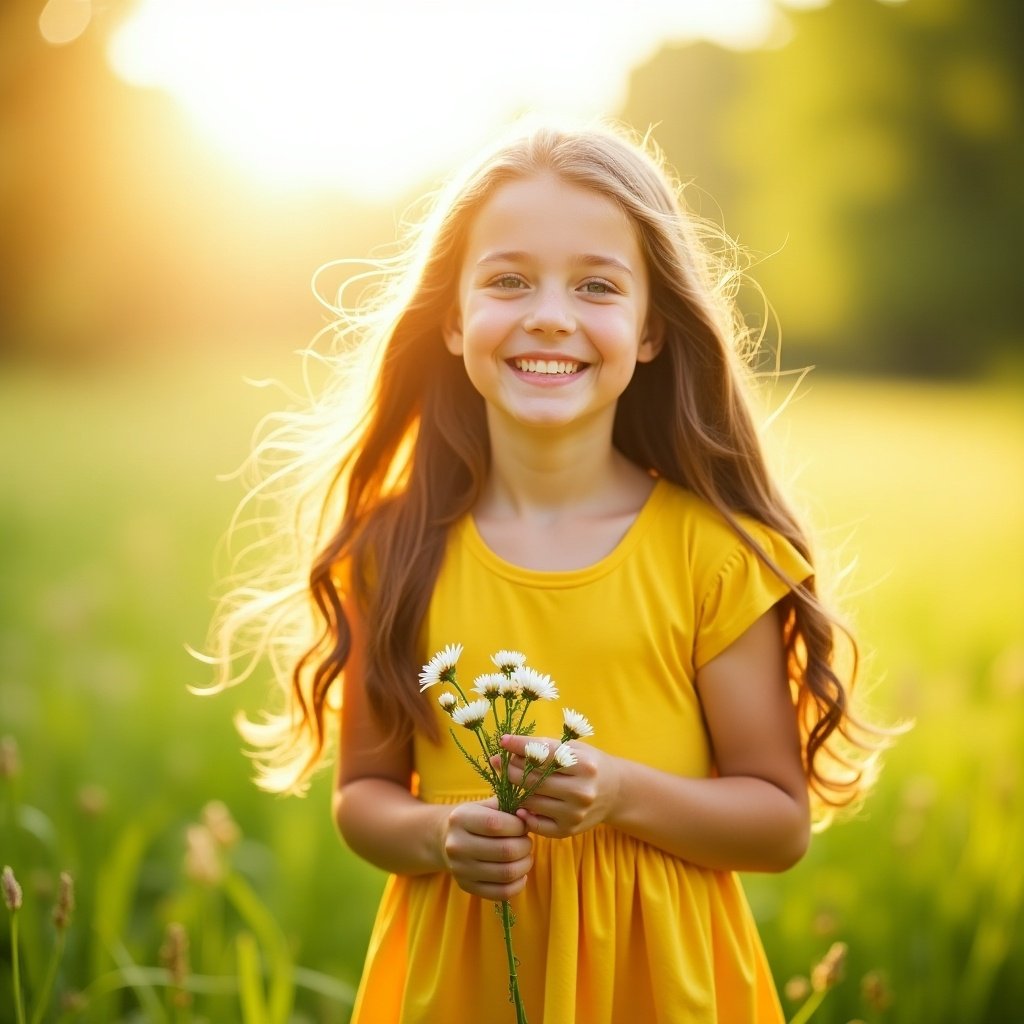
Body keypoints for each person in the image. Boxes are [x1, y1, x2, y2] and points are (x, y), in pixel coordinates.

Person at [206, 121, 887, 1023]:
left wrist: (620, 792)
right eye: (508, 280)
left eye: (597, 286)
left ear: (650, 330)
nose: (550, 314)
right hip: (461, 984)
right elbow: (363, 797)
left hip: (661, 987)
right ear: (453, 320)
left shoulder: (711, 555)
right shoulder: (394, 548)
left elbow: (776, 822)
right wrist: (438, 833)